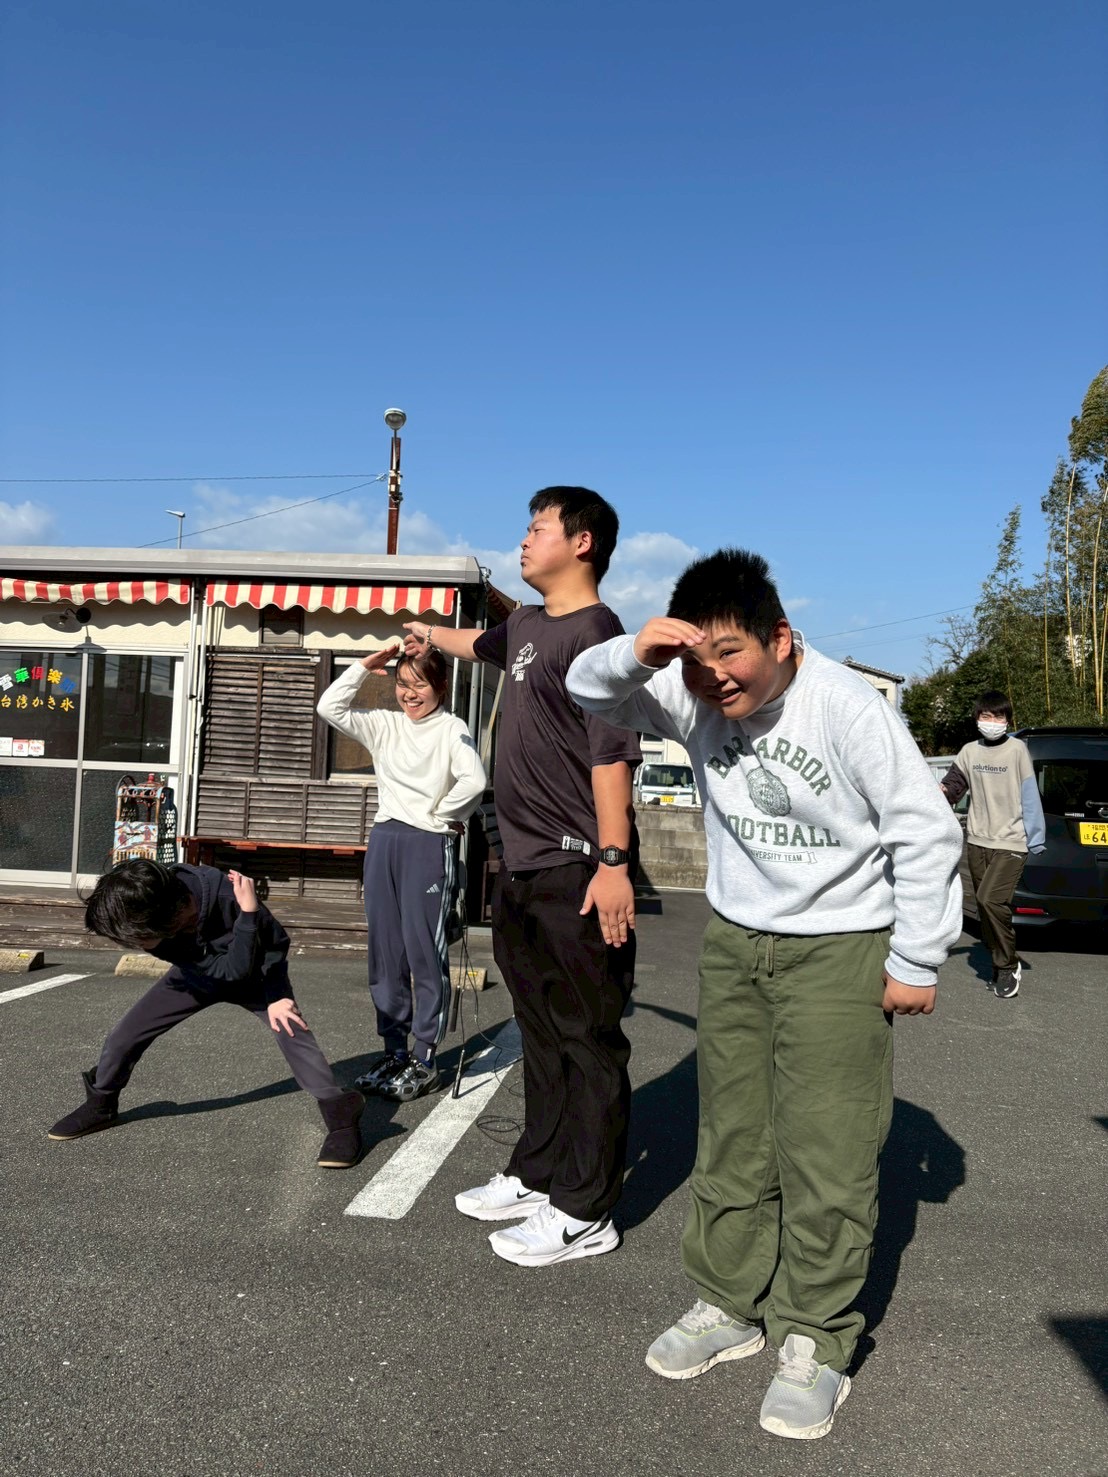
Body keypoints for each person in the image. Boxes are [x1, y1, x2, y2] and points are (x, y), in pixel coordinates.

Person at [565, 547, 963, 1440]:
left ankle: (816, 1336)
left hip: (840, 949)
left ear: (779, 637)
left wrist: (917, 957)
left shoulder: (844, 706)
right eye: (697, 659)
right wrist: (642, 650)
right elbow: (587, 689)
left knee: (827, 1149)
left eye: (731, 653)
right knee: (733, 1134)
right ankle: (728, 1301)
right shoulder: (689, 692)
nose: (715, 677)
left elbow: (925, 830)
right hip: (736, 941)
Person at [403, 486, 641, 1268]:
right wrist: (426, 633)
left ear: (582, 542)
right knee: (539, 1032)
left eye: (538, 528)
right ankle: (539, 1172)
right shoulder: (529, 625)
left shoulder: (599, 634)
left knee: (588, 1040)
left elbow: (612, 755)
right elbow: (479, 643)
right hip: (519, 864)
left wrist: (614, 862)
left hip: (578, 866)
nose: (525, 539)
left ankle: (586, 1208)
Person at [48, 859, 365, 1167]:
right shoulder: (153, 924)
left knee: (292, 1033)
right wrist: (248, 915)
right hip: (199, 974)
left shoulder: (228, 895)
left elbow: (274, 945)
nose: (136, 945)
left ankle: (342, 1115)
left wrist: (275, 992)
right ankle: (101, 1104)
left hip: (258, 977)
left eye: (138, 938)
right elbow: (223, 969)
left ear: (167, 916)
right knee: (125, 1035)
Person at [316, 644, 486, 1100]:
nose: (409, 694)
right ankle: (394, 1051)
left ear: (441, 687)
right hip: (385, 839)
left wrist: (441, 816)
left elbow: (475, 780)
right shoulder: (384, 724)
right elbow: (329, 707)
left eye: (420, 685)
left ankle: (425, 1057)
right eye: (403, 684)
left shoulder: (452, 728)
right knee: (385, 951)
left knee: (423, 949)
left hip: (428, 844)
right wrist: (363, 667)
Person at [939, 690, 1045, 998]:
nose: (993, 722)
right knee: (984, 910)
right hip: (977, 840)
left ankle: (1008, 964)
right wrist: (939, 792)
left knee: (989, 899)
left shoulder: (1017, 750)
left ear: (1007, 720)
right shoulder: (969, 752)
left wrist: (1035, 837)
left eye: (999, 716)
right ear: (977, 719)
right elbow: (953, 786)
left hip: (1011, 840)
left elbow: (1029, 795)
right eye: (987, 716)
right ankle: (1000, 964)